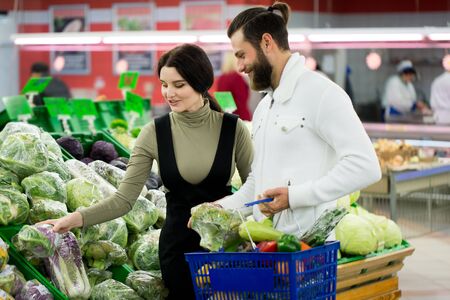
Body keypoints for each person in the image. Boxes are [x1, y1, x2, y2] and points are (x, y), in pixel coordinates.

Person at [40, 44, 253, 299]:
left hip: (227, 250)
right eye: (164, 84)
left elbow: (256, 186)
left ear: (201, 82)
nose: (169, 93)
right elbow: (124, 199)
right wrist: (72, 219)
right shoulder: (155, 132)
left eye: (178, 84)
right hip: (179, 255)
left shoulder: (233, 129)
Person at [214, 1, 381, 236]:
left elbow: (366, 167)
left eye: (242, 55)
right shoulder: (264, 109)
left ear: (267, 42)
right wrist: (220, 207)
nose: (239, 66)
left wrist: (295, 197)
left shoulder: (322, 94)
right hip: (268, 246)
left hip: (310, 251)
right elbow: (257, 185)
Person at [216, 52, 252, 120]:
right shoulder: (236, 78)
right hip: (241, 117)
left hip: (227, 117)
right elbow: (242, 100)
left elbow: (223, 101)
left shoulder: (221, 78)